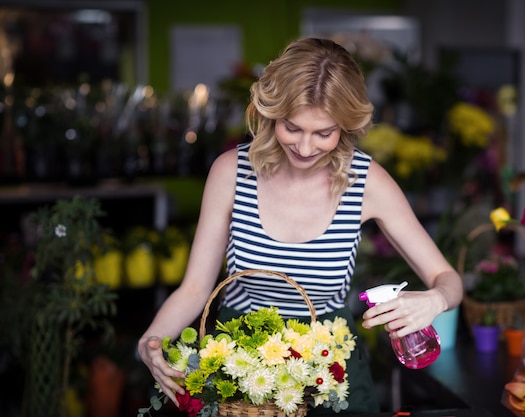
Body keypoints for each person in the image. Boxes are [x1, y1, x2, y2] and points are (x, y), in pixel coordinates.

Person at [137, 37, 463, 415]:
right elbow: (195, 289)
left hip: (330, 366)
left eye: (324, 133)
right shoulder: (231, 173)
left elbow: (447, 278)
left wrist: (434, 300)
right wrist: (152, 339)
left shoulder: (367, 182)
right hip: (240, 362)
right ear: (271, 113)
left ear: (345, 125)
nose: (306, 148)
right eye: (292, 128)